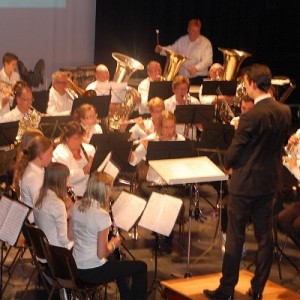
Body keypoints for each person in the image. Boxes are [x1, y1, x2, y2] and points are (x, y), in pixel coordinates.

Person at [203, 63, 291, 300]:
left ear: (253, 84)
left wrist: (228, 163)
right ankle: (258, 289)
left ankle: (226, 289)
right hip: (269, 183)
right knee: (265, 238)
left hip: (244, 185)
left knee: (235, 237)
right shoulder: (285, 112)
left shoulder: (250, 116)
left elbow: (234, 152)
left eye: (246, 83)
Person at [71, 171, 147, 300]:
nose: (110, 192)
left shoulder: (76, 205)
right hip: (92, 271)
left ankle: (127, 296)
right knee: (141, 267)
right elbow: (101, 253)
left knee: (117, 263)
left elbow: (70, 235)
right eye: (109, 188)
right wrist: (113, 243)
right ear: (104, 191)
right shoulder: (101, 215)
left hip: (74, 266)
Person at [129, 110, 186, 198]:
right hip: (153, 183)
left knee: (165, 196)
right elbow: (133, 161)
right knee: (143, 192)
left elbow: (184, 164)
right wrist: (128, 148)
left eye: (171, 127)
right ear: (160, 127)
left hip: (173, 183)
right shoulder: (151, 140)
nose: (169, 130)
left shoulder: (180, 140)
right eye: (166, 127)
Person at [155, 19, 213, 85]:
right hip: (182, 78)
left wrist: (196, 68)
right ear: (188, 30)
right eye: (193, 31)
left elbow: (208, 60)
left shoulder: (205, 43)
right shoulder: (182, 40)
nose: (196, 33)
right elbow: (172, 50)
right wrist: (161, 49)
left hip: (198, 78)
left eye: (198, 31)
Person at [12, 135, 53, 223]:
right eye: (50, 153)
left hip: (35, 219)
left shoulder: (35, 169)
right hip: (35, 223)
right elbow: (42, 210)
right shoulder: (34, 178)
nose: (52, 157)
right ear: (41, 155)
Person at [34, 162, 73, 249]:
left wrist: (66, 214)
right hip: (57, 252)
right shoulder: (57, 204)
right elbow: (64, 240)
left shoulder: (40, 196)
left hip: (44, 248)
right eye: (67, 180)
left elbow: (49, 220)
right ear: (60, 182)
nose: (68, 184)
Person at [52, 121, 95, 197]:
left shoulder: (90, 149)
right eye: (75, 138)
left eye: (81, 137)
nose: (79, 141)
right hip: (71, 196)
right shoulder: (59, 153)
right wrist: (84, 171)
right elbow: (63, 178)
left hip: (90, 192)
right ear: (67, 138)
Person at [164, 75, 200, 140]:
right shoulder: (166, 104)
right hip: (173, 139)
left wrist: (196, 121)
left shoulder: (194, 102)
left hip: (191, 138)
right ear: (174, 90)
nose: (183, 91)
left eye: (185, 89)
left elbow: (201, 127)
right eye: (180, 89)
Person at [0, 52, 20, 117]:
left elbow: (17, 93)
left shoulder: (16, 76)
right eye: (13, 64)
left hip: (13, 109)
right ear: (6, 64)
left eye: (16, 64)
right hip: (2, 111)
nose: (15, 67)